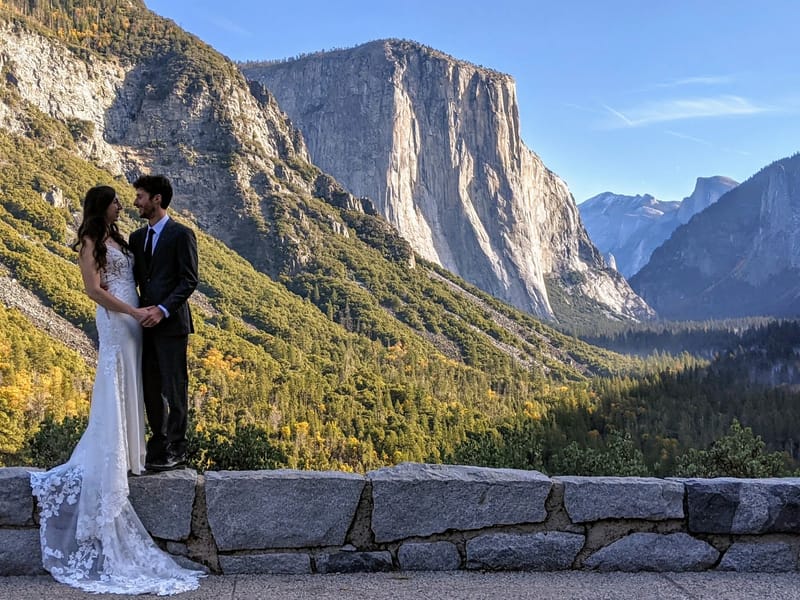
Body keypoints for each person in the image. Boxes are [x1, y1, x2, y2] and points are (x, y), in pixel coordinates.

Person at [29, 185, 204, 594]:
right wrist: (133, 310)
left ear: (157, 199)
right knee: (117, 380)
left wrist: (149, 310)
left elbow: (178, 278)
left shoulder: (127, 238)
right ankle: (116, 457)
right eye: (118, 201)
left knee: (143, 384)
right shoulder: (94, 240)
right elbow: (93, 289)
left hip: (143, 321)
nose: (126, 204)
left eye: (136, 197)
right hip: (121, 317)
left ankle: (143, 452)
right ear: (101, 206)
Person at [129, 175, 198, 472]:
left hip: (171, 326)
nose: (136, 202)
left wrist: (162, 310)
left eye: (141, 196)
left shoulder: (182, 234)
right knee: (150, 388)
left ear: (157, 199)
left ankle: (177, 449)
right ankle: (157, 446)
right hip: (144, 327)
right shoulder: (135, 238)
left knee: (174, 387)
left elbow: (188, 280)